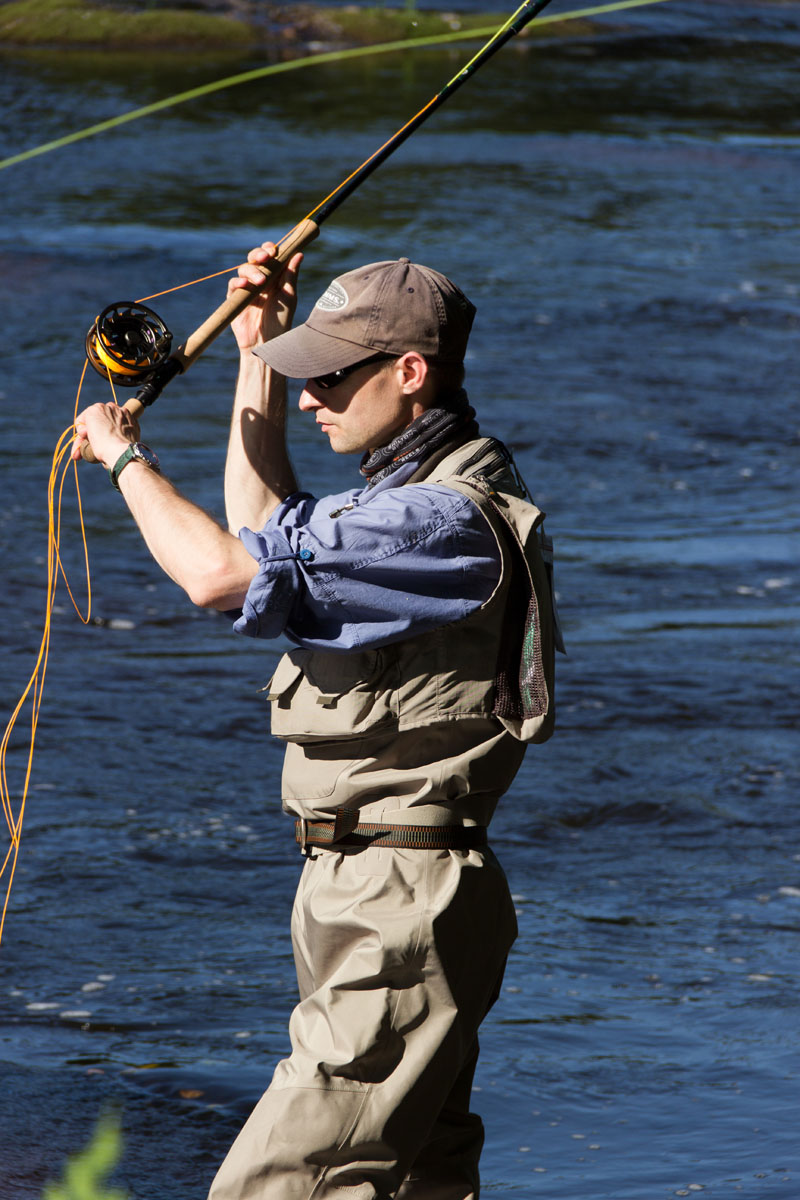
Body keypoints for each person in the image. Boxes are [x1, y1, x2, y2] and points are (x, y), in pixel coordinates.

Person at [72, 242, 560, 1200]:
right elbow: (263, 531)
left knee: (278, 1185)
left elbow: (221, 574)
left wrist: (125, 458)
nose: (309, 399)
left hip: (399, 903)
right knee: (419, 1182)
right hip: (372, 890)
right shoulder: (402, 500)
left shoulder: (436, 523)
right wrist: (256, 353)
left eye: (329, 376)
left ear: (409, 373)